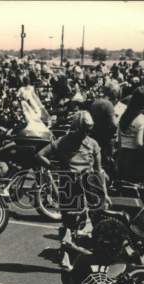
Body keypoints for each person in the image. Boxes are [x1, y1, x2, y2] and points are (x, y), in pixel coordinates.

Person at [37, 110, 104, 271]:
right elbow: (40, 155)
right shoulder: (64, 142)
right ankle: (67, 254)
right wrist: (53, 167)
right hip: (70, 186)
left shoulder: (91, 144)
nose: (85, 133)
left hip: (84, 185)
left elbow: (99, 171)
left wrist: (104, 194)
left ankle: (69, 252)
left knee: (79, 223)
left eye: (88, 130)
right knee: (70, 223)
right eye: (83, 129)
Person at [115, 87, 144, 182]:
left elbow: (119, 140)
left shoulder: (123, 116)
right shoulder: (143, 119)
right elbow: (139, 143)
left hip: (122, 154)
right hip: (134, 157)